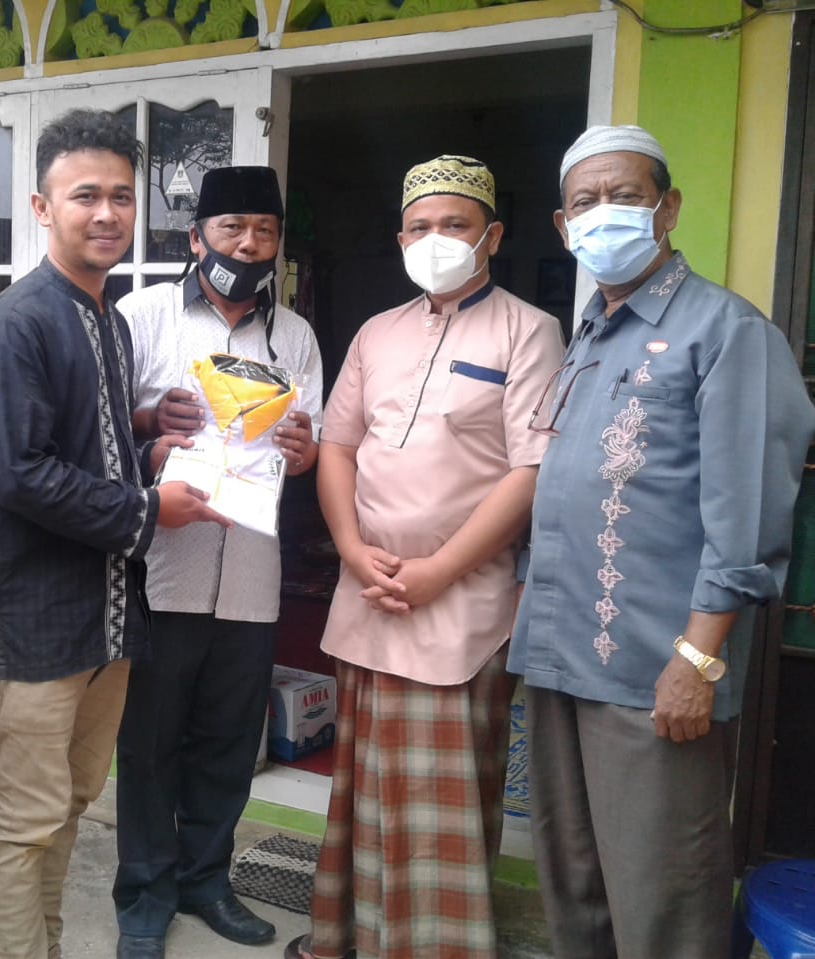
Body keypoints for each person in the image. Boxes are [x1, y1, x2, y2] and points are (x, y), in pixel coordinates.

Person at [508, 125, 815, 959]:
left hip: (657, 674)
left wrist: (698, 661)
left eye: (626, 195)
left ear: (667, 207)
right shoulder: (588, 333)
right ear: (563, 225)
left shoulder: (727, 331)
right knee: (574, 882)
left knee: (663, 898)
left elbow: (749, 515)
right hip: (561, 657)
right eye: (585, 202)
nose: (603, 213)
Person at [0, 108, 229, 959]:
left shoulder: (107, 319)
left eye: (121, 196)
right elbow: (19, 472)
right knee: (26, 819)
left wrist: (150, 446)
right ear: (43, 208)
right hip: (30, 616)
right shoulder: (14, 322)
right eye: (85, 196)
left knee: (69, 802)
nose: (107, 213)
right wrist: (150, 510)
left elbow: (88, 453)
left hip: (105, 614)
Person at [287, 156, 564, 959]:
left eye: (455, 224)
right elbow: (339, 447)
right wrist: (350, 549)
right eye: (420, 226)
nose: (435, 238)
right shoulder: (378, 332)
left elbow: (532, 469)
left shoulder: (528, 330)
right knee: (364, 789)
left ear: (493, 237)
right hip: (368, 592)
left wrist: (439, 570)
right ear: (401, 237)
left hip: (461, 602)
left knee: (441, 801)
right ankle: (351, 935)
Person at [112, 166, 321, 959]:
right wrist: (147, 421)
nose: (248, 243)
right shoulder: (142, 315)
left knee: (229, 743)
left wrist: (302, 448)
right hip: (164, 570)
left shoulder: (294, 336)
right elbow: (103, 431)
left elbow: (311, 446)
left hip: (252, 576)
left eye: (264, 230)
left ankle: (206, 880)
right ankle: (144, 896)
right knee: (150, 744)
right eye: (232, 227)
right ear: (197, 237)